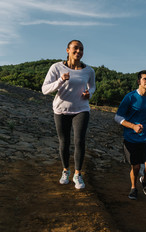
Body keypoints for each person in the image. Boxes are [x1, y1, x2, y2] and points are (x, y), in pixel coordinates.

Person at [42, 40, 96, 189]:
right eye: (75, 48)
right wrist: (60, 80)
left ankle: (78, 174)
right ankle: (66, 170)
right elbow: (45, 89)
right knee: (64, 141)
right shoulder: (56, 67)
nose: (79, 51)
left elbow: (93, 87)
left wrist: (88, 94)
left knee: (79, 141)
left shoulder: (89, 71)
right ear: (67, 50)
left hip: (81, 109)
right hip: (61, 109)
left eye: (81, 49)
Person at [114, 70, 146, 200]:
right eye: (145, 79)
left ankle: (144, 180)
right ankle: (133, 188)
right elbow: (117, 117)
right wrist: (133, 126)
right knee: (135, 167)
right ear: (139, 81)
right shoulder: (130, 97)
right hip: (131, 138)